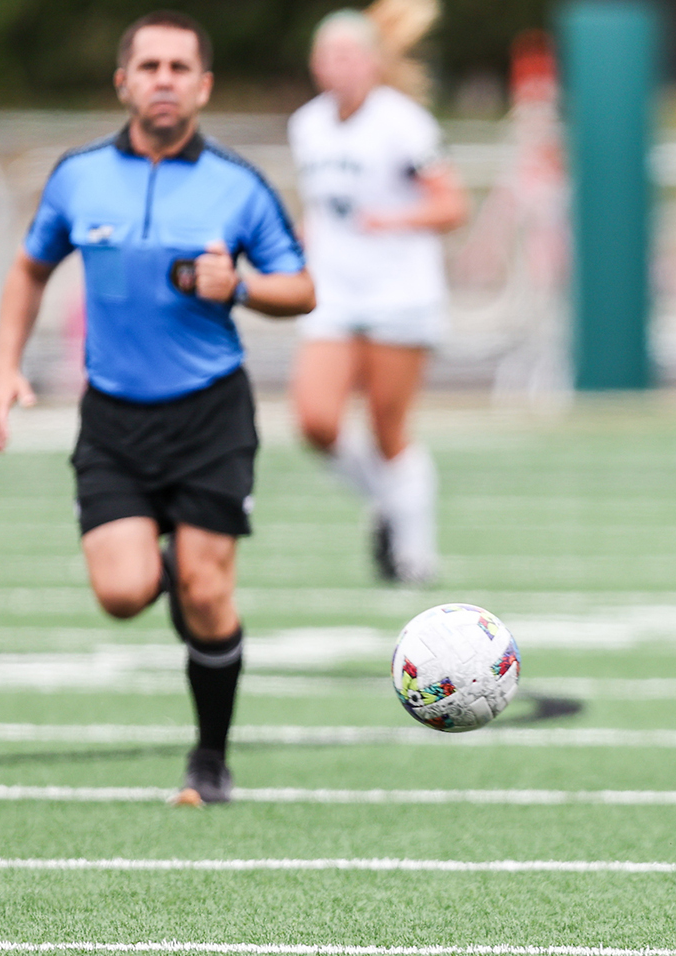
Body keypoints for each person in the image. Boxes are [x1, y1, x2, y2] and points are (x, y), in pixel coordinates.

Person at [0, 11, 315, 805]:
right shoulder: (77, 177)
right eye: (149, 66)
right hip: (115, 418)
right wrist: (5, 368)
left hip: (210, 415)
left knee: (205, 594)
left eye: (179, 67)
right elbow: (30, 270)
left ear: (203, 85)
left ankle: (210, 758)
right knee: (124, 593)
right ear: (123, 82)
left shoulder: (239, 185)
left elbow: (301, 289)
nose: (163, 79)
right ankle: (178, 560)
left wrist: (236, 284)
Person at [288, 0, 467, 584]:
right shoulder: (307, 125)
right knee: (316, 420)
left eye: (349, 55)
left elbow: (450, 203)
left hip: (398, 292)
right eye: (328, 56)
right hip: (335, 294)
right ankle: (390, 506)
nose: (338, 67)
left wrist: (391, 220)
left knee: (389, 428)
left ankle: (416, 555)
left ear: (372, 63)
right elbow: (318, 211)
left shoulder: (403, 123)